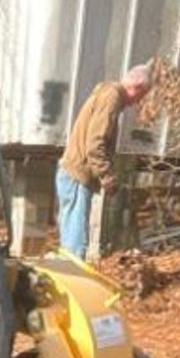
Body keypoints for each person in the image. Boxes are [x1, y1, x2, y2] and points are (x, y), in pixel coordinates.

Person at [56, 63, 151, 259]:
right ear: (137, 86)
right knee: (75, 250)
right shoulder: (112, 98)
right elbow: (95, 142)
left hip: (71, 172)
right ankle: (76, 287)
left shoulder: (105, 93)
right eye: (140, 97)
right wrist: (107, 176)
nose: (136, 103)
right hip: (77, 175)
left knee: (69, 245)